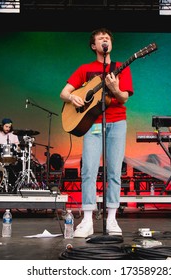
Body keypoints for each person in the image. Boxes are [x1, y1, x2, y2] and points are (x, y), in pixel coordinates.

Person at [60, 28, 134, 238]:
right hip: (93, 123)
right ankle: (87, 219)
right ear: (94, 46)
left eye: (108, 38)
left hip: (117, 122)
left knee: (114, 171)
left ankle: (111, 218)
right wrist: (72, 98)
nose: (105, 40)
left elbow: (124, 98)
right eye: (100, 38)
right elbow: (63, 92)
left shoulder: (120, 68)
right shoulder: (85, 69)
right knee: (89, 171)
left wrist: (115, 87)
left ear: (111, 45)